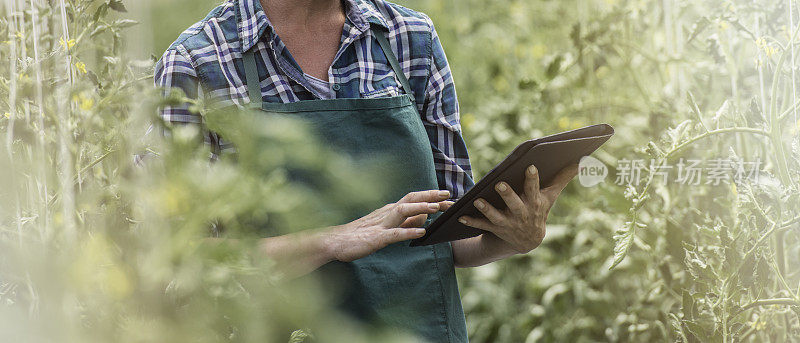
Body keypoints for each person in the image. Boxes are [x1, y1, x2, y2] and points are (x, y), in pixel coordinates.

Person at [154, 0, 578, 341]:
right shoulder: (196, 64)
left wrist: (513, 237)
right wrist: (327, 242)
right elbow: (179, 261)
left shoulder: (410, 39)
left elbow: (451, 235)